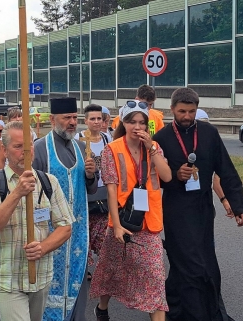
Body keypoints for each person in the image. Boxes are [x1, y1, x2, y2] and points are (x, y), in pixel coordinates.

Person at [152, 88, 243, 321]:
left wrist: (238, 206)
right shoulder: (161, 139)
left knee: (205, 262)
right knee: (187, 264)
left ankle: (197, 308)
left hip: (203, 209)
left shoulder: (209, 133)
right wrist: (176, 176)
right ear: (172, 109)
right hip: (176, 210)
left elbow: (226, 170)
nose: (187, 116)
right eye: (182, 111)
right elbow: (153, 181)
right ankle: (190, 314)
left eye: (191, 111)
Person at [0, 121, 75, 321]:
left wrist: (43, 247)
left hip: (39, 275)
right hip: (7, 278)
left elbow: (65, 226)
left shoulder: (49, 182)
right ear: (4, 150)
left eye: (29, 145)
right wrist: (17, 193)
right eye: (18, 147)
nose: (26, 151)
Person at [89, 100, 172, 321]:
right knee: (111, 270)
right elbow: (111, 190)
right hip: (122, 220)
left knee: (156, 277)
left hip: (149, 221)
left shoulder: (153, 147)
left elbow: (167, 176)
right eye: (132, 122)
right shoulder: (112, 150)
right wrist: (115, 225)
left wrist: (152, 148)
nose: (137, 127)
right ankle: (102, 307)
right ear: (123, 123)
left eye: (141, 123)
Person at [32, 97, 97, 321]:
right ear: (52, 119)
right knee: (49, 286)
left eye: (74, 117)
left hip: (78, 232)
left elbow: (91, 188)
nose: (72, 122)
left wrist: (91, 175)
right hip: (50, 232)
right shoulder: (40, 149)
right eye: (66, 118)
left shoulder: (81, 148)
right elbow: (31, 193)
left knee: (77, 281)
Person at [73, 104, 112, 278]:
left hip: (104, 191)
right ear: (86, 121)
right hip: (85, 192)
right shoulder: (78, 139)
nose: (96, 122)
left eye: (99, 119)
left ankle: (103, 266)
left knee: (103, 232)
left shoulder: (106, 138)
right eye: (92, 119)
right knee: (85, 232)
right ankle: (84, 267)